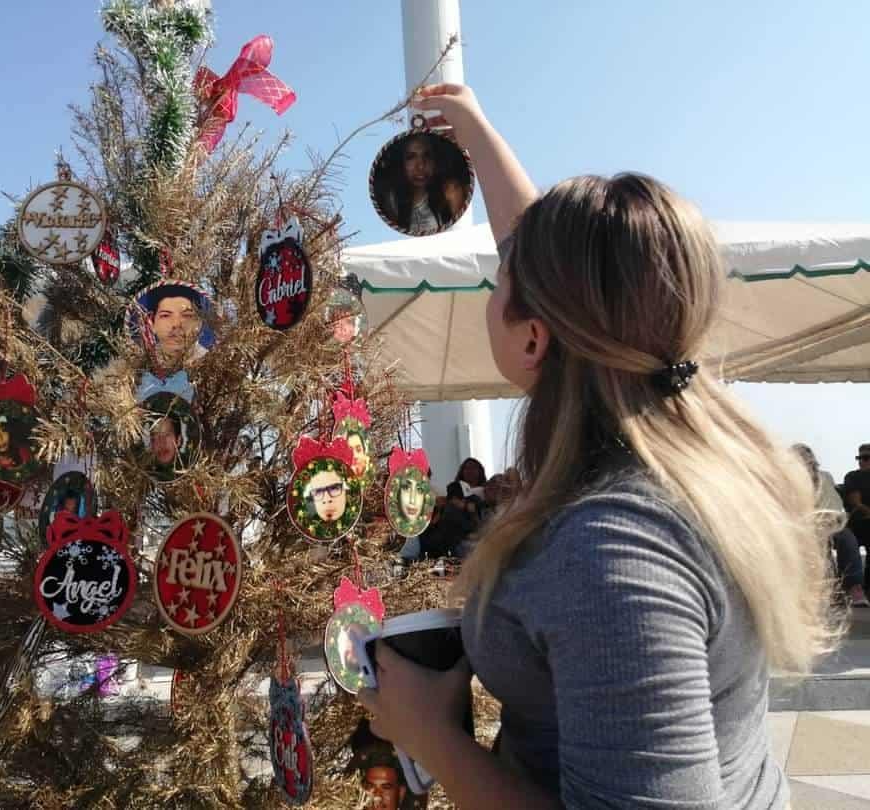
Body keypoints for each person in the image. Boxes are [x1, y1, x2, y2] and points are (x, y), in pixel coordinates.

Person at [358, 83, 836, 809]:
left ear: (533, 334)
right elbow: (542, 255)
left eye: (500, 278)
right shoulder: (703, 469)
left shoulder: (609, 549)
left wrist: (431, 738)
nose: (500, 268)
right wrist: (473, 128)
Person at [793, 444, 870, 606]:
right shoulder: (789, 480)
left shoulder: (825, 477)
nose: (806, 463)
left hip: (831, 521)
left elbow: (833, 503)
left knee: (847, 539)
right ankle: (828, 590)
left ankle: (854, 588)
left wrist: (833, 519)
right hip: (805, 525)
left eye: (808, 459)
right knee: (819, 540)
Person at [379, 133, 467, 236]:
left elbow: (459, 233)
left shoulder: (450, 191)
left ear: (435, 161)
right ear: (401, 163)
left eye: (427, 156)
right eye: (411, 157)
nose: (420, 166)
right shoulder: (393, 199)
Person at [843, 444, 870, 561]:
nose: (861, 461)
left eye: (866, 458)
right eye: (859, 458)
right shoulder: (852, 476)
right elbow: (856, 503)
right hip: (856, 523)